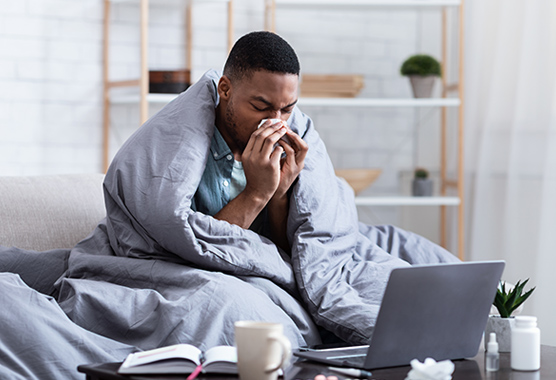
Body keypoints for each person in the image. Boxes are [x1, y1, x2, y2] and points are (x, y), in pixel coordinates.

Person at [191, 31, 308, 253]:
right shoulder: (189, 152)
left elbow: (290, 259)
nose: (275, 122)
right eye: (261, 107)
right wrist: (256, 193)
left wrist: (279, 195)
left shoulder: (286, 150)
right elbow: (197, 251)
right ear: (224, 89)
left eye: (287, 110)